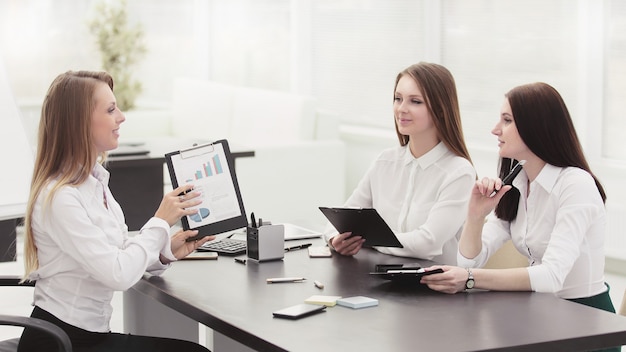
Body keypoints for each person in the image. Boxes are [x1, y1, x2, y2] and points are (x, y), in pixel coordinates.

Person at [18, 71, 214, 352]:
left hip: (87, 336)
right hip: (60, 342)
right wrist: (160, 221)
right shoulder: (60, 197)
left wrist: (163, 250)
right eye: (111, 110)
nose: (121, 117)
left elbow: (119, 253)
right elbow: (118, 274)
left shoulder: (94, 183)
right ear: (79, 123)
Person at [421, 82, 618, 332]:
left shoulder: (575, 185)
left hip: (585, 325)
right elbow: (469, 261)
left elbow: (551, 277)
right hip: (542, 316)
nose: (495, 130)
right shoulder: (518, 182)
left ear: (536, 127)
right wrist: (475, 217)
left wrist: (471, 280)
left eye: (506, 120)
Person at [325, 62, 476, 264]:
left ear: (440, 109)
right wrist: (336, 239)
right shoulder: (385, 162)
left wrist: (368, 240)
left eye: (415, 101)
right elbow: (341, 219)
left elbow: (427, 243)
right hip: (379, 280)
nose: (401, 109)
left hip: (433, 288)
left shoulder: (459, 172)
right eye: (398, 99)